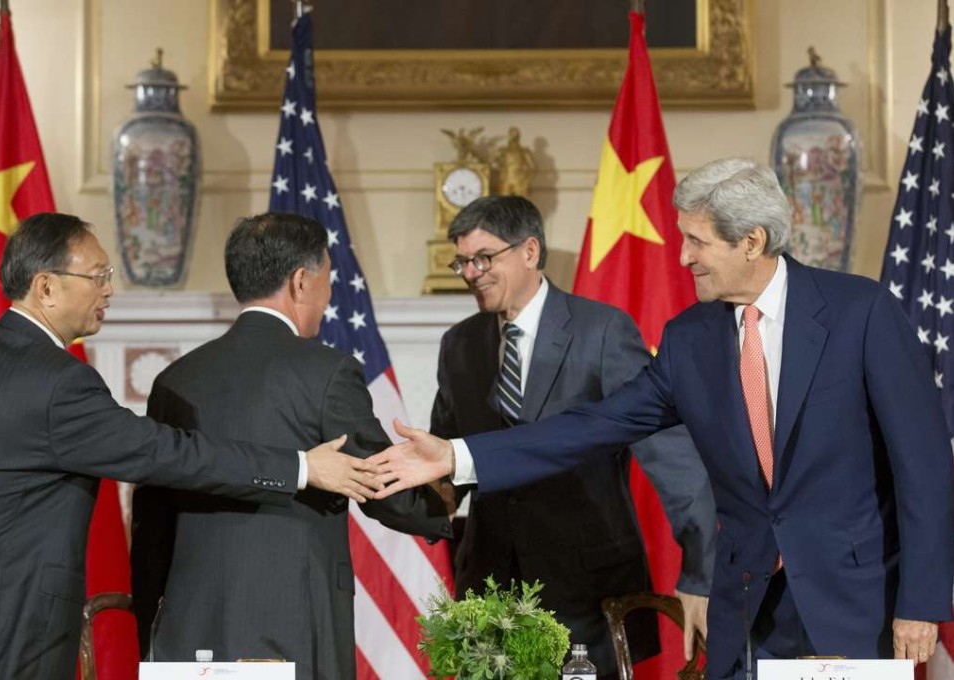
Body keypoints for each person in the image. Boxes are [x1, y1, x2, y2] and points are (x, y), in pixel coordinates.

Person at [370, 159, 954, 679]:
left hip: (853, 602)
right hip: (747, 610)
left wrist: (922, 602)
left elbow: (923, 470)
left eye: (697, 242)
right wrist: (458, 456)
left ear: (751, 241)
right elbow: (592, 425)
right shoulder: (689, 339)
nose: (683, 257)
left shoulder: (860, 312)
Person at [0, 212, 381, 679]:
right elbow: (164, 453)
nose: (108, 290)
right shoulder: (56, 383)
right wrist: (301, 468)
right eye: (98, 276)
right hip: (15, 630)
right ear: (45, 287)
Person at [130, 212, 452, 679]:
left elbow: (151, 528)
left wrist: (152, 637)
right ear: (301, 281)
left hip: (187, 635)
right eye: (327, 279)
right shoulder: (327, 372)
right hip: (292, 631)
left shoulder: (174, 381)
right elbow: (379, 480)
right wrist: (451, 500)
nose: (328, 295)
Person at [432, 195, 715, 676]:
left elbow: (672, 457)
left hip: (586, 593)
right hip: (489, 589)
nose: (470, 272)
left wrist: (702, 571)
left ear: (529, 251)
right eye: (462, 261)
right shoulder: (459, 343)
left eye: (483, 257)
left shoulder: (602, 331)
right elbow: (445, 461)